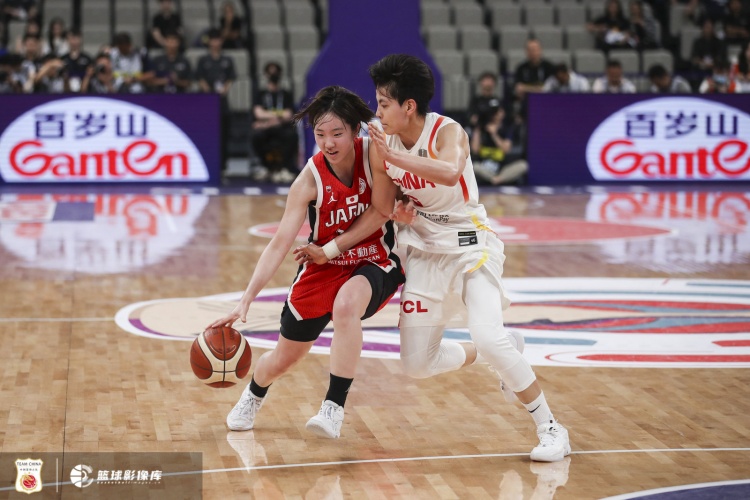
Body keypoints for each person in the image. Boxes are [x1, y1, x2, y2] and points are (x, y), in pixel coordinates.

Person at [297, 54, 570, 462]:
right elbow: (384, 206)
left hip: (470, 244)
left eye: (384, 103)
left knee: (487, 333)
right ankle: (497, 350)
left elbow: (448, 172)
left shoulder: (448, 131)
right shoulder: (384, 145)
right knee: (417, 364)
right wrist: (398, 211)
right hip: (424, 250)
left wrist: (393, 158)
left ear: (408, 106)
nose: (377, 112)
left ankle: (551, 428)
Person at [208, 85, 404, 439]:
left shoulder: (374, 153)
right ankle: (253, 394)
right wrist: (246, 299)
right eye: (320, 134)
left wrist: (332, 249)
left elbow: (381, 211)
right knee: (284, 359)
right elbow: (279, 244)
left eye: (337, 133)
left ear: (355, 130)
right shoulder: (308, 181)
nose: (328, 143)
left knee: (347, 306)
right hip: (322, 267)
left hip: (373, 258)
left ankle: (333, 407)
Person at [196, 28, 235, 171]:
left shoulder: (227, 60)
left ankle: (222, 167)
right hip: (206, 103)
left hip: (222, 102)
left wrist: (224, 89)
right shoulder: (203, 60)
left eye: (218, 40)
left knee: (223, 135)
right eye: (213, 40)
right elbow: (199, 77)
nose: (215, 43)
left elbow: (230, 78)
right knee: (206, 133)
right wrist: (207, 91)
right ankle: (207, 165)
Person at [252, 61, 299, 183]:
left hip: (281, 127)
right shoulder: (261, 94)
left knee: (292, 136)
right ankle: (266, 167)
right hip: (266, 128)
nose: (273, 75)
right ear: (265, 75)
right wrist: (278, 116)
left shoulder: (286, 94)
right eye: (270, 72)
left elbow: (289, 114)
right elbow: (258, 113)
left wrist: (269, 119)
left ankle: (284, 168)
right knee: (256, 136)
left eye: (276, 72)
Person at [470, 102, 528, 186]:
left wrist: (494, 135)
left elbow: (506, 149)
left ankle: (498, 179)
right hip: (484, 167)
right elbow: (475, 149)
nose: (496, 115)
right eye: (493, 113)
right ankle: (493, 179)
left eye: (498, 112)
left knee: (523, 165)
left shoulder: (507, 128)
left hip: (501, 169)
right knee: (474, 166)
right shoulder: (481, 129)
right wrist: (478, 127)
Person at [513, 39, 555, 116]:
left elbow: (549, 89)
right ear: (526, 52)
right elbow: (519, 89)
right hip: (527, 104)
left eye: (535, 49)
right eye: (530, 50)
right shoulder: (521, 68)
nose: (532, 52)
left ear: (540, 50)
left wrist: (527, 88)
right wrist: (538, 88)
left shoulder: (549, 67)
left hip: (546, 103)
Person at [60, 28, 93, 93]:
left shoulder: (87, 59)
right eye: (72, 39)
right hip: (65, 92)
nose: (74, 42)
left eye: (76, 39)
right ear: (67, 40)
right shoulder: (62, 59)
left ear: (80, 40)